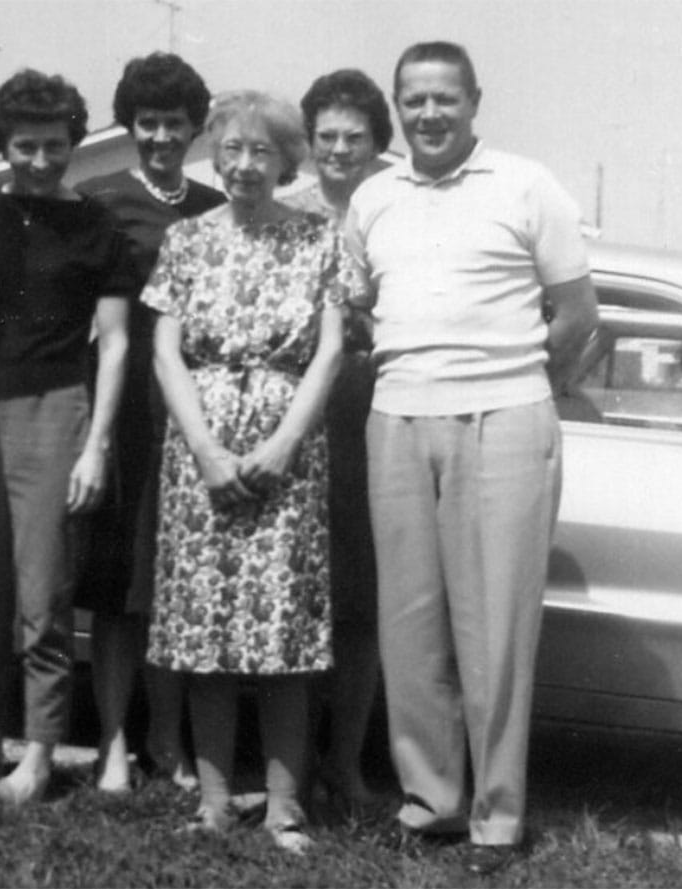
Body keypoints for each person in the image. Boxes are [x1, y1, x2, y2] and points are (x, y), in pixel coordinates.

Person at [344, 42, 598, 874]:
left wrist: (524, 384)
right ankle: (433, 800)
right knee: (410, 626)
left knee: (494, 626)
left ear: (475, 101)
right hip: (398, 415)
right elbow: (357, 308)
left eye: (444, 99)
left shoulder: (527, 185)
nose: (428, 115)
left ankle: (498, 816)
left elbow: (576, 313)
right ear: (397, 106)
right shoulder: (373, 197)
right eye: (413, 100)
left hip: (505, 415)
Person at [142, 90, 363, 853]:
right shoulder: (185, 239)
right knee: (203, 630)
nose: (243, 166)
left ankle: (283, 806)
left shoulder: (319, 237)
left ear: (286, 161)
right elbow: (166, 351)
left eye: (261, 151)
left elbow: (331, 349)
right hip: (198, 445)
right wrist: (205, 449)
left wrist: (281, 446)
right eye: (231, 149)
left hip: (287, 449)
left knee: (283, 631)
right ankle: (210, 801)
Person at [0, 69, 133, 806]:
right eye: (25, 146)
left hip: (55, 408)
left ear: (73, 142)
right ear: (3, 144)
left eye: (54, 145)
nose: (39, 159)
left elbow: (117, 343)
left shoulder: (97, 225)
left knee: (42, 594)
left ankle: (37, 758)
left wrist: (95, 444)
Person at [74, 52, 225, 795]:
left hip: (193, 408)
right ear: (129, 125)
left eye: (175, 123)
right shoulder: (98, 198)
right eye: (148, 122)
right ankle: (111, 740)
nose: (161, 135)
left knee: (174, 580)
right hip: (123, 402)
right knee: (117, 584)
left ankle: (169, 737)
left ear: (197, 128)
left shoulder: (211, 206)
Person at [286, 67, 392, 815]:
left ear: (377, 143)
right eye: (326, 136)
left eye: (355, 137)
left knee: (360, 604)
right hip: (294, 414)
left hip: (369, 413)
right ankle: (284, 761)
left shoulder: (399, 209)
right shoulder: (284, 213)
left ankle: (346, 762)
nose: (339, 149)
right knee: (291, 590)